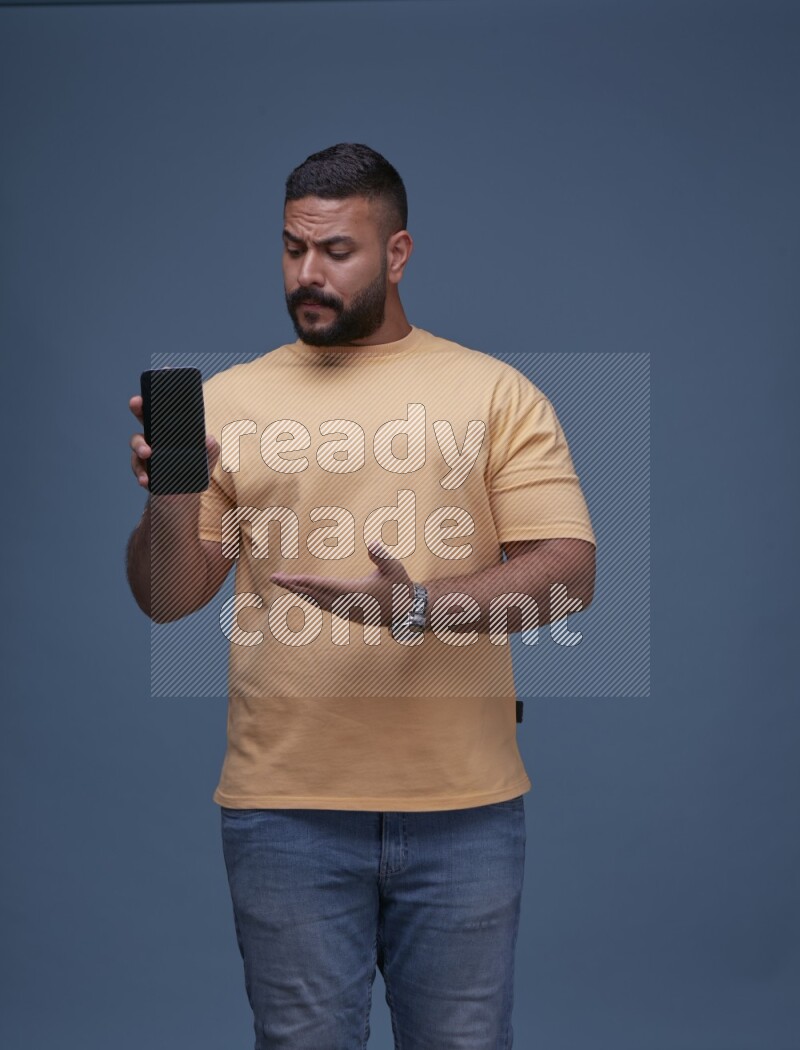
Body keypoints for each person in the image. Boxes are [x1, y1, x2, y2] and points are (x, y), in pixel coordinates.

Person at [126, 143, 596, 1050]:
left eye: (337, 250)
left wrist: (419, 607)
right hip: (284, 812)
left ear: (398, 252)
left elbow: (569, 575)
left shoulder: (494, 393)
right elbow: (166, 598)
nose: (309, 274)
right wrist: (171, 499)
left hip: (465, 810)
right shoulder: (229, 401)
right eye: (294, 249)